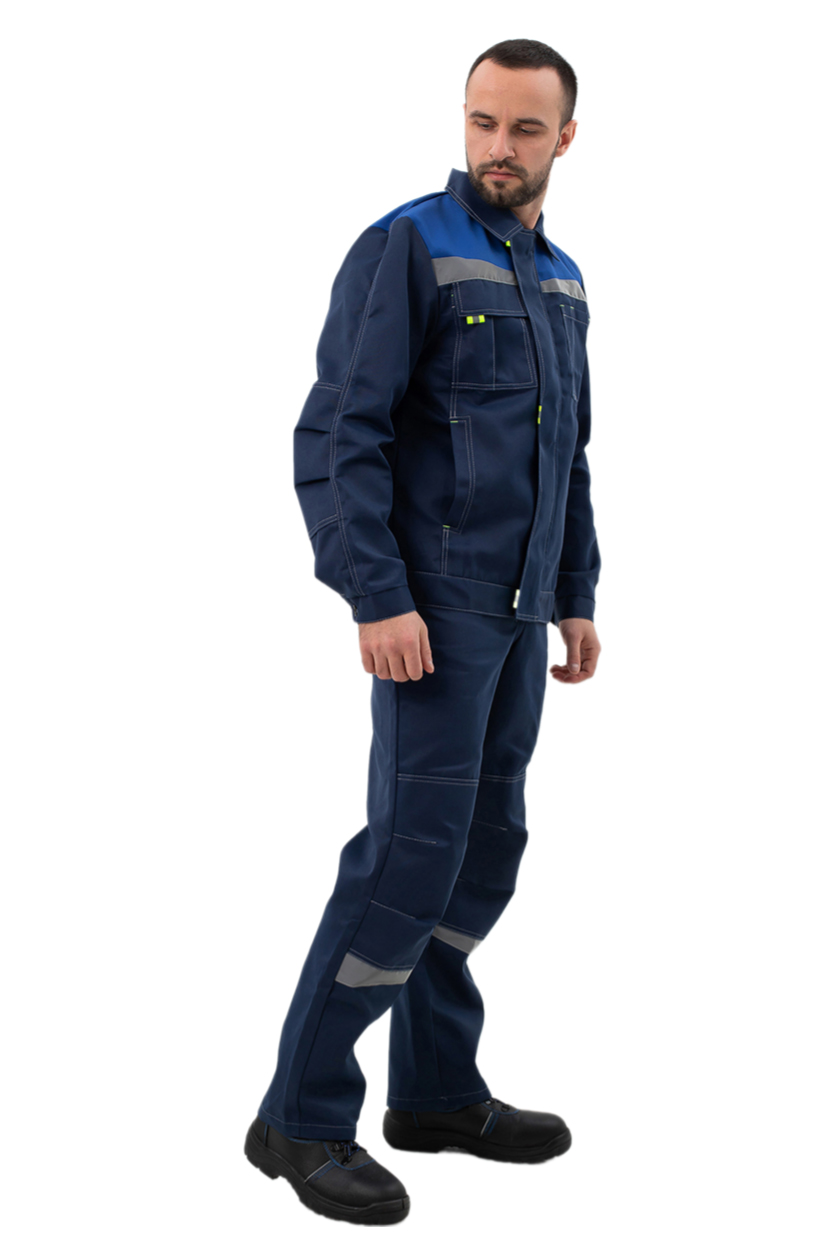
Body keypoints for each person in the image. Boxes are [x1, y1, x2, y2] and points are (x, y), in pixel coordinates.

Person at [244, 37, 602, 1226]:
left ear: (565, 139)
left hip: (519, 612)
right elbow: (340, 433)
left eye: (525, 128)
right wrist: (377, 595)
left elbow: (569, 454)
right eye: (482, 122)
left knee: (484, 851)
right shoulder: (410, 245)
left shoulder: (563, 280)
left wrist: (576, 591)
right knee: (408, 860)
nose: (499, 147)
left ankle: (437, 1092)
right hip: (435, 613)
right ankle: (299, 1118)